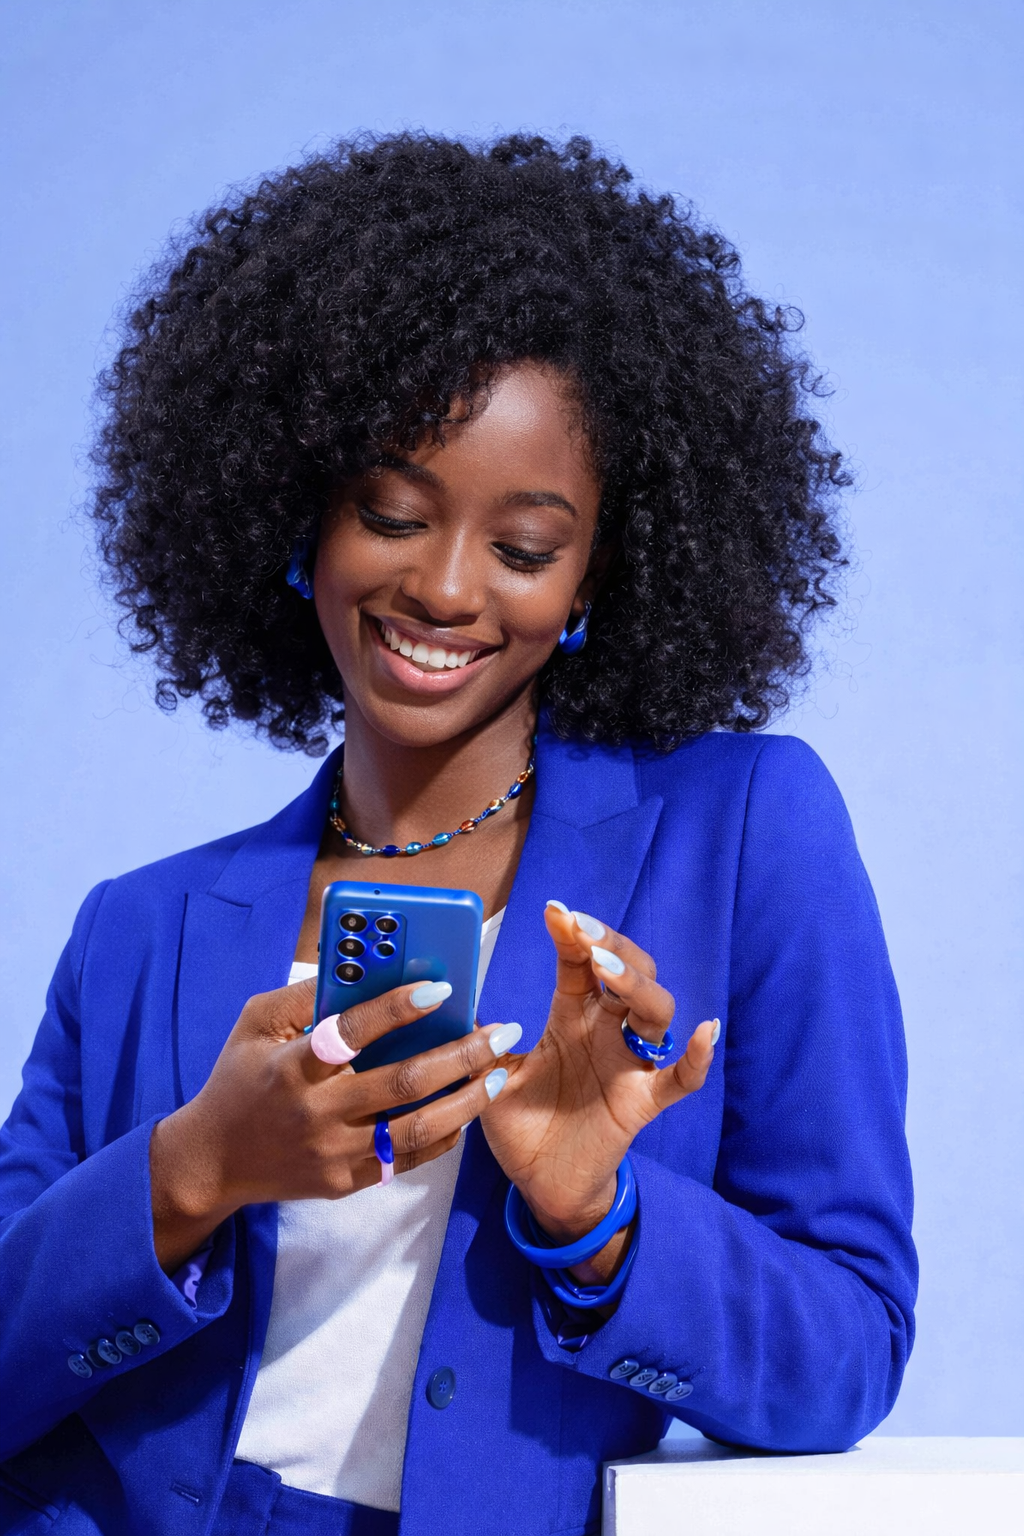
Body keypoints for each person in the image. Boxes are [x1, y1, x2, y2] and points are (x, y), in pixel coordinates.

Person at [0, 133, 916, 1536]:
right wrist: (194, 1170)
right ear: (301, 522)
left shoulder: (741, 836)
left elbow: (847, 1351)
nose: (442, 587)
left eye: (524, 548)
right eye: (391, 513)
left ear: (592, 579)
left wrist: (596, 1215)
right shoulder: (140, 924)